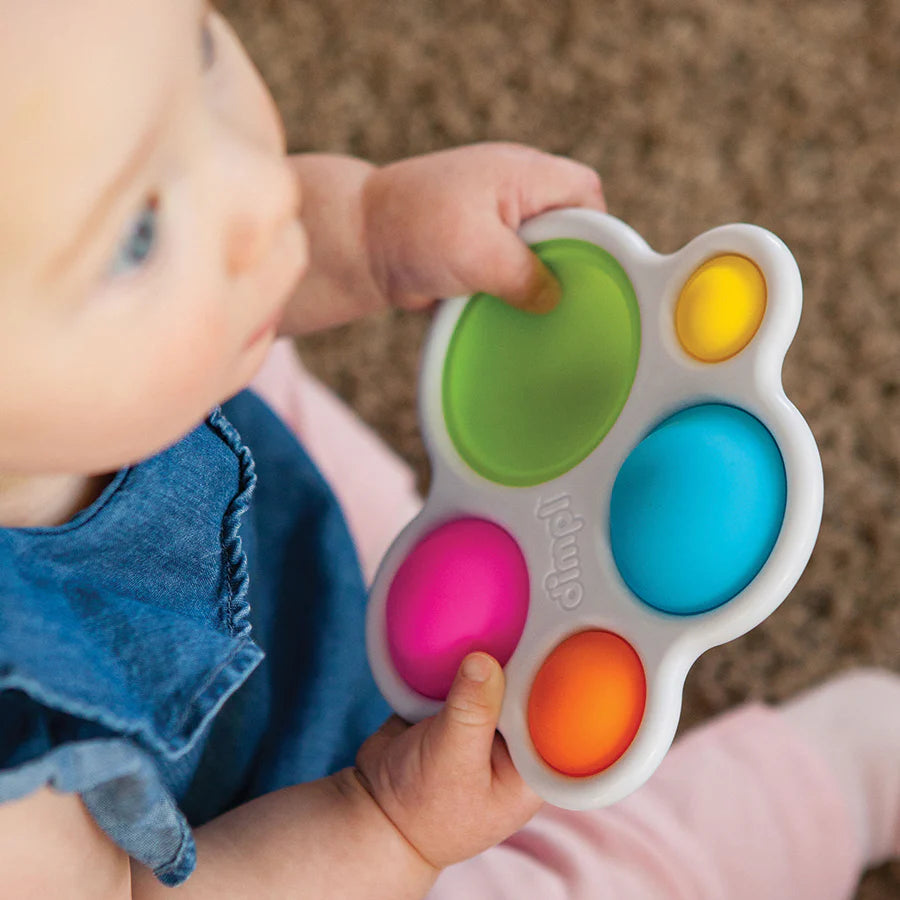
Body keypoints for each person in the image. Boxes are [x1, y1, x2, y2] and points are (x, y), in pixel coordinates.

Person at [0, 2, 897, 897]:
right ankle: (827, 787)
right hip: (288, 836)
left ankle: (458, 556)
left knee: (319, 426)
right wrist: (388, 820)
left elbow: (229, 217)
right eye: (139, 235)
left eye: (199, 52)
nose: (262, 195)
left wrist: (371, 231)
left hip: (263, 514)